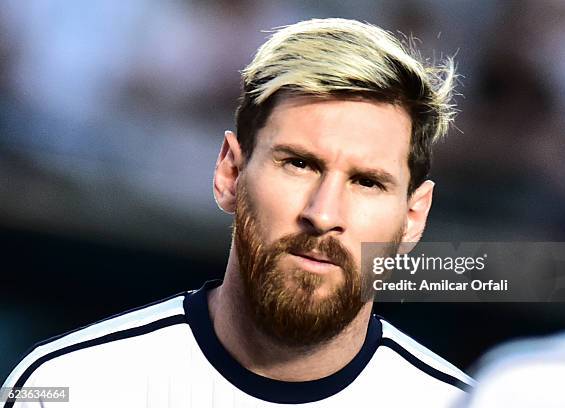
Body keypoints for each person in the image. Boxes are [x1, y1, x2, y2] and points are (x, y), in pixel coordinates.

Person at [2, 18, 473, 407]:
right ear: (230, 172)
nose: (323, 213)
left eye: (367, 182)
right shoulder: (71, 389)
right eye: (300, 164)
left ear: (414, 216)